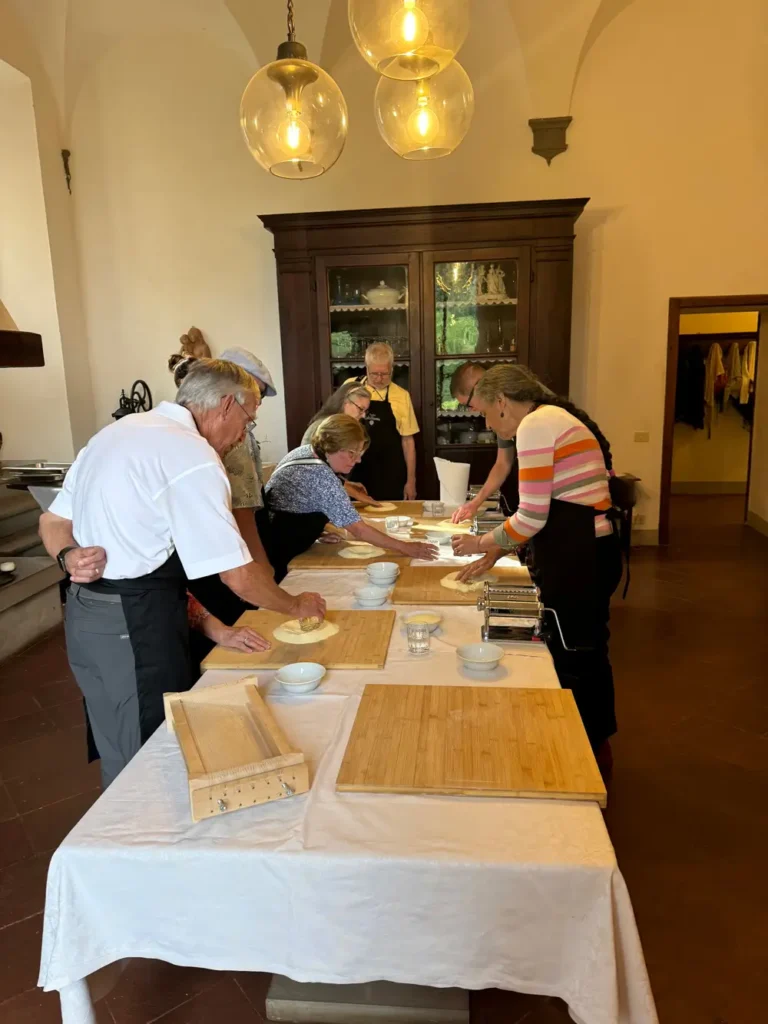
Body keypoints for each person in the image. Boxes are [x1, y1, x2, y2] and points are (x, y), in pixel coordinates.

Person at [39, 359, 325, 788]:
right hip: (132, 629)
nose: (243, 436)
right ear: (227, 405)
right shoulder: (192, 456)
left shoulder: (115, 433)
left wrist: (66, 555)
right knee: (143, 754)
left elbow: (54, 523)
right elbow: (238, 576)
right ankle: (135, 845)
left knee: (118, 736)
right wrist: (295, 605)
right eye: (248, 421)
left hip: (87, 618)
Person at [451, 364, 622, 763]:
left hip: (581, 556)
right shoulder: (551, 417)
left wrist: (481, 541)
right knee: (586, 645)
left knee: (577, 648)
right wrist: (499, 547)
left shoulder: (534, 426)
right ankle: (594, 738)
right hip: (586, 550)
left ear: (502, 402)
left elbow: (532, 516)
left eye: (485, 414)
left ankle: (586, 748)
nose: (487, 423)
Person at [265, 413, 437, 581]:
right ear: (331, 447)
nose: (358, 460)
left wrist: (316, 532)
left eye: (359, 453)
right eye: (351, 453)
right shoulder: (320, 475)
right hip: (280, 552)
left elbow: (300, 502)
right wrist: (406, 547)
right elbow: (359, 530)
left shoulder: (306, 452)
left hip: (286, 538)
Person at [344, 342, 419, 501]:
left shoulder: (401, 395)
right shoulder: (350, 387)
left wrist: (411, 481)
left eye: (384, 374)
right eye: (374, 374)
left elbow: (408, 441)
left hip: (390, 471)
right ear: (366, 368)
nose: (379, 379)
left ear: (392, 369)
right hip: (354, 470)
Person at [449, 361, 519, 523]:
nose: (472, 410)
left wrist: (483, 544)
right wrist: (475, 503)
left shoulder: (520, 405)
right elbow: (503, 463)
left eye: (469, 404)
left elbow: (534, 512)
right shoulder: (498, 409)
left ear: (479, 387)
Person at [301, 382, 379, 505]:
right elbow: (316, 473)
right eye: (360, 409)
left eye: (365, 411)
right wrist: (355, 493)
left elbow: (328, 472)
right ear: (345, 402)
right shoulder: (324, 427)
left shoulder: (339, 426)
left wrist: (347, 484)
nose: (363, 415)